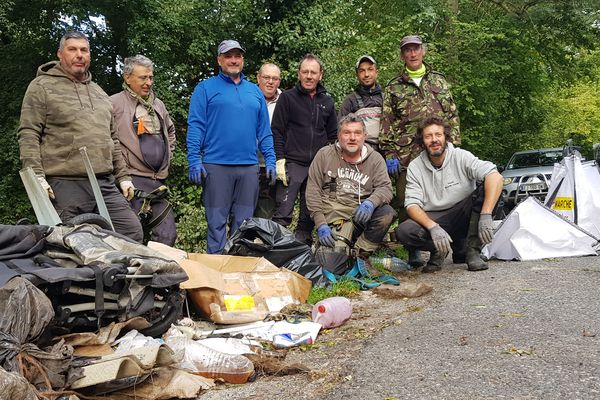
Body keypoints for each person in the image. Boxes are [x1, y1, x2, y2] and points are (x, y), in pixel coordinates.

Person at [17, 31, 143, 242]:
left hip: (104, 182)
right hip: (64, 183)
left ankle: (116, 275)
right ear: (60, 53)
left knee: (131, 232)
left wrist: (124, 177)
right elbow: (29, 133)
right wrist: (36, 176)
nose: (79, 55)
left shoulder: (99, 93)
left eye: (84, 50)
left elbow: (112, 139)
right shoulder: (41, 87)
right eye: (72, 49)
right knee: (72, 241)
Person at [187, 40, 276, 254]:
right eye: (228, 56)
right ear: (219, 60)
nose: (234, 60)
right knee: (216, 225)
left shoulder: (255, 92)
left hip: (248, 168)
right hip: (216, 167)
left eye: (238, 56)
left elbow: (264, 131)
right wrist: (194, 159)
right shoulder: (205, 88)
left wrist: (271, 158)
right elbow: (196, 125)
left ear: (243, 60)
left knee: (243, 227)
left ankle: (236, 275)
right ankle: (215, 278)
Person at [379, 34, 461, 266]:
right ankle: (413, 248)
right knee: (408, 199)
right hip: (407, 154)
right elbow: (387, 121)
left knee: (443, 196)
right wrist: (390, 153)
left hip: (439, 152)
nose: (412, 54)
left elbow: (452, 116)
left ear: (423, 51)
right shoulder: (394, 86)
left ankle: (448, 244)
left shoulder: (440, 81)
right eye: (407, 50)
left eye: (415, 49)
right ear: (402, 55)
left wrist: (453, 146)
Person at [395, 116, 503, 273]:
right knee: (404, 232)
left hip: (465, 214)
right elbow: (411, 205)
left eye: (438, 135)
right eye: (428, 136)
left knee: (489, 188)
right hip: (436, 218)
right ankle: (439, 249)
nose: (434, 140)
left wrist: (486, 214)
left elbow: (496, 176)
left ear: (445, 137)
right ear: (422, 141)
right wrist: (433, 228)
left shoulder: (461, 156)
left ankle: (472, 250)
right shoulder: (415, 167)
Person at [306, 113, 396, 259]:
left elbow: (385, 188)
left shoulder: (375, 158)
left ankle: (361, 254)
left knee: (386, 213)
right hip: (334, 216)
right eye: (347, 133)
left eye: (357, 133)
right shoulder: (324, 155)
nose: (352, 138)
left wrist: (370, 203)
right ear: (339, 135)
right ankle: (339, 250)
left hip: (361, 215)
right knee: (331, 263)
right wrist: (320, 223)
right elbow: (312, 191)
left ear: (365, 136)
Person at [272, 53, 337, 244]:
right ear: (299, 74)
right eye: (305, 72)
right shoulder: (287, 98)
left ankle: (302, 251)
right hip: (292, 163)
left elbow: (333, 136)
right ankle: (274, 249)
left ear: (320, 75)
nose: (309, 76)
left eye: (313, 72)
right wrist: (279, 158)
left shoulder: (327, 102)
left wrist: (332, 164)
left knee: (309, 214)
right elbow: (276, 130)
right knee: (283, 211)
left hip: (318, 166)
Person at [111, 55, 177, 245]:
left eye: (150, 77)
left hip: (158, 182)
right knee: (130, 237)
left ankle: (159, 274)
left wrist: (168, 156)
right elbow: (104, 138)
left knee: (167, 236)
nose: (148, 83)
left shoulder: (158, 104)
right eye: (143, 78)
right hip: (130, 181)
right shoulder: (114, 103)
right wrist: (120, 169)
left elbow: (170, 131)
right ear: (127, 77)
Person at [254, 63, 282, 219]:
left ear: (279, 81)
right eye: (266, 77)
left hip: (273, 167)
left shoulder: (286, 101)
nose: (270, 82)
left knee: (265, 212)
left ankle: (259, 242)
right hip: (247, 164)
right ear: (258, 78)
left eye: (275, 78)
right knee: (241, 211)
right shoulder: (247, 96)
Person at [338, 55, 383, 152]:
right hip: (359, 151)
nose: (366, 74)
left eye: (370, 69)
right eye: (362, 71)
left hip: (386, 150)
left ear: (376, 72)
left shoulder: (387, 98)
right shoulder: (350, 101)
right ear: (357, 75)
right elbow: (340, 130)